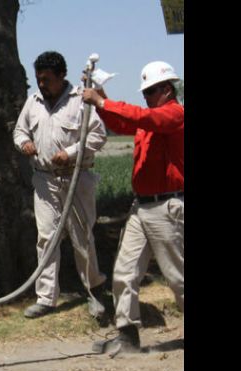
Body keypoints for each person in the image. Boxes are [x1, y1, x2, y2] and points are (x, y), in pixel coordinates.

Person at [83, 61, 184, 354]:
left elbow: (139, 117)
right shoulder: (150, 119)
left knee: (178, 276)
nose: (147, 96)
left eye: (151, 91)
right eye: (145, 92)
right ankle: (127, 334)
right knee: (124, 272)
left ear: (167, 89)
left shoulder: (174, 114)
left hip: (168, 208)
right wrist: (100, 97)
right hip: (142, 209)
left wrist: (101, 100)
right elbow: (123, 121)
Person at [13, 51, 109, 320]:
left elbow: (98, 136)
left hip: (76, 178)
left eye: (46, 79)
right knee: (46, 238)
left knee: (82, 238)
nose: (41, 84)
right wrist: (24, 144)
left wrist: (70, 152)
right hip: (44, 180)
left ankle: (94, 293)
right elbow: (20, 131)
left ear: (61, 76)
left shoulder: (82, 100)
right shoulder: (33, 102)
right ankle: (46, 298)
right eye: (38, 79)